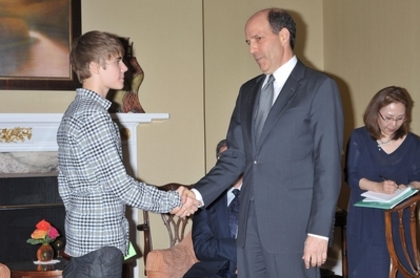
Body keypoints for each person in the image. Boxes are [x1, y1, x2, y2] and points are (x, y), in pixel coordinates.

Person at [188, 8, 344, 278]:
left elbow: (328, 165)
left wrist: (319, 231)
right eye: (248, 42)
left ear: (283, 36)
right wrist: (197, 195)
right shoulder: (247, 91)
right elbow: (234, 156)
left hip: (294, 227)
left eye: (258, 39)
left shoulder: (318, 87)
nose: (252, 49)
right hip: (250, 229)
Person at [57, 30, 199, 278]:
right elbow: (122, 187)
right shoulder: (93, 116)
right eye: (117, 61)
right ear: (95, 66)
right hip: (100, 248)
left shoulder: (75, 110)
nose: (125, 68)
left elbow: (64, 186)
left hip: (83, 243)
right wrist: (175, 201)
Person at [345, 86, 420, 278]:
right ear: (375, 111)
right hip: (365, 218)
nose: (393, 123)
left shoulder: (413, 143)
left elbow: (417, 179)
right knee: (367, 270)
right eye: (388, 117)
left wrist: (408, 188)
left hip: (399, 218)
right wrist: (376, 186)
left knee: (402, 270)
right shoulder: (359, 138)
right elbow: (350, 176)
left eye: (400, 118)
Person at [184, 139, 242, 278]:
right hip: (213, 271)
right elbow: (201, 246)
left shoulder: (260, 195)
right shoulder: (205, 197)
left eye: (233, 158)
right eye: (223, 159)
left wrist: (248, 260)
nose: (229, 164)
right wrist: (240, 251)